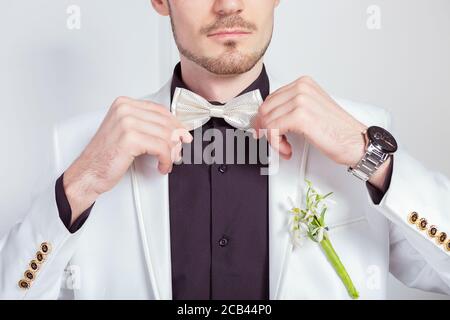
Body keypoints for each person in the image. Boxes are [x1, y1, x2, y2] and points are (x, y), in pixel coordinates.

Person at [1, 0, 449, 299]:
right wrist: (81, 183)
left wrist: (369, 155)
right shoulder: (80, 146)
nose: (228, 4)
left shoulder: (365, 137)